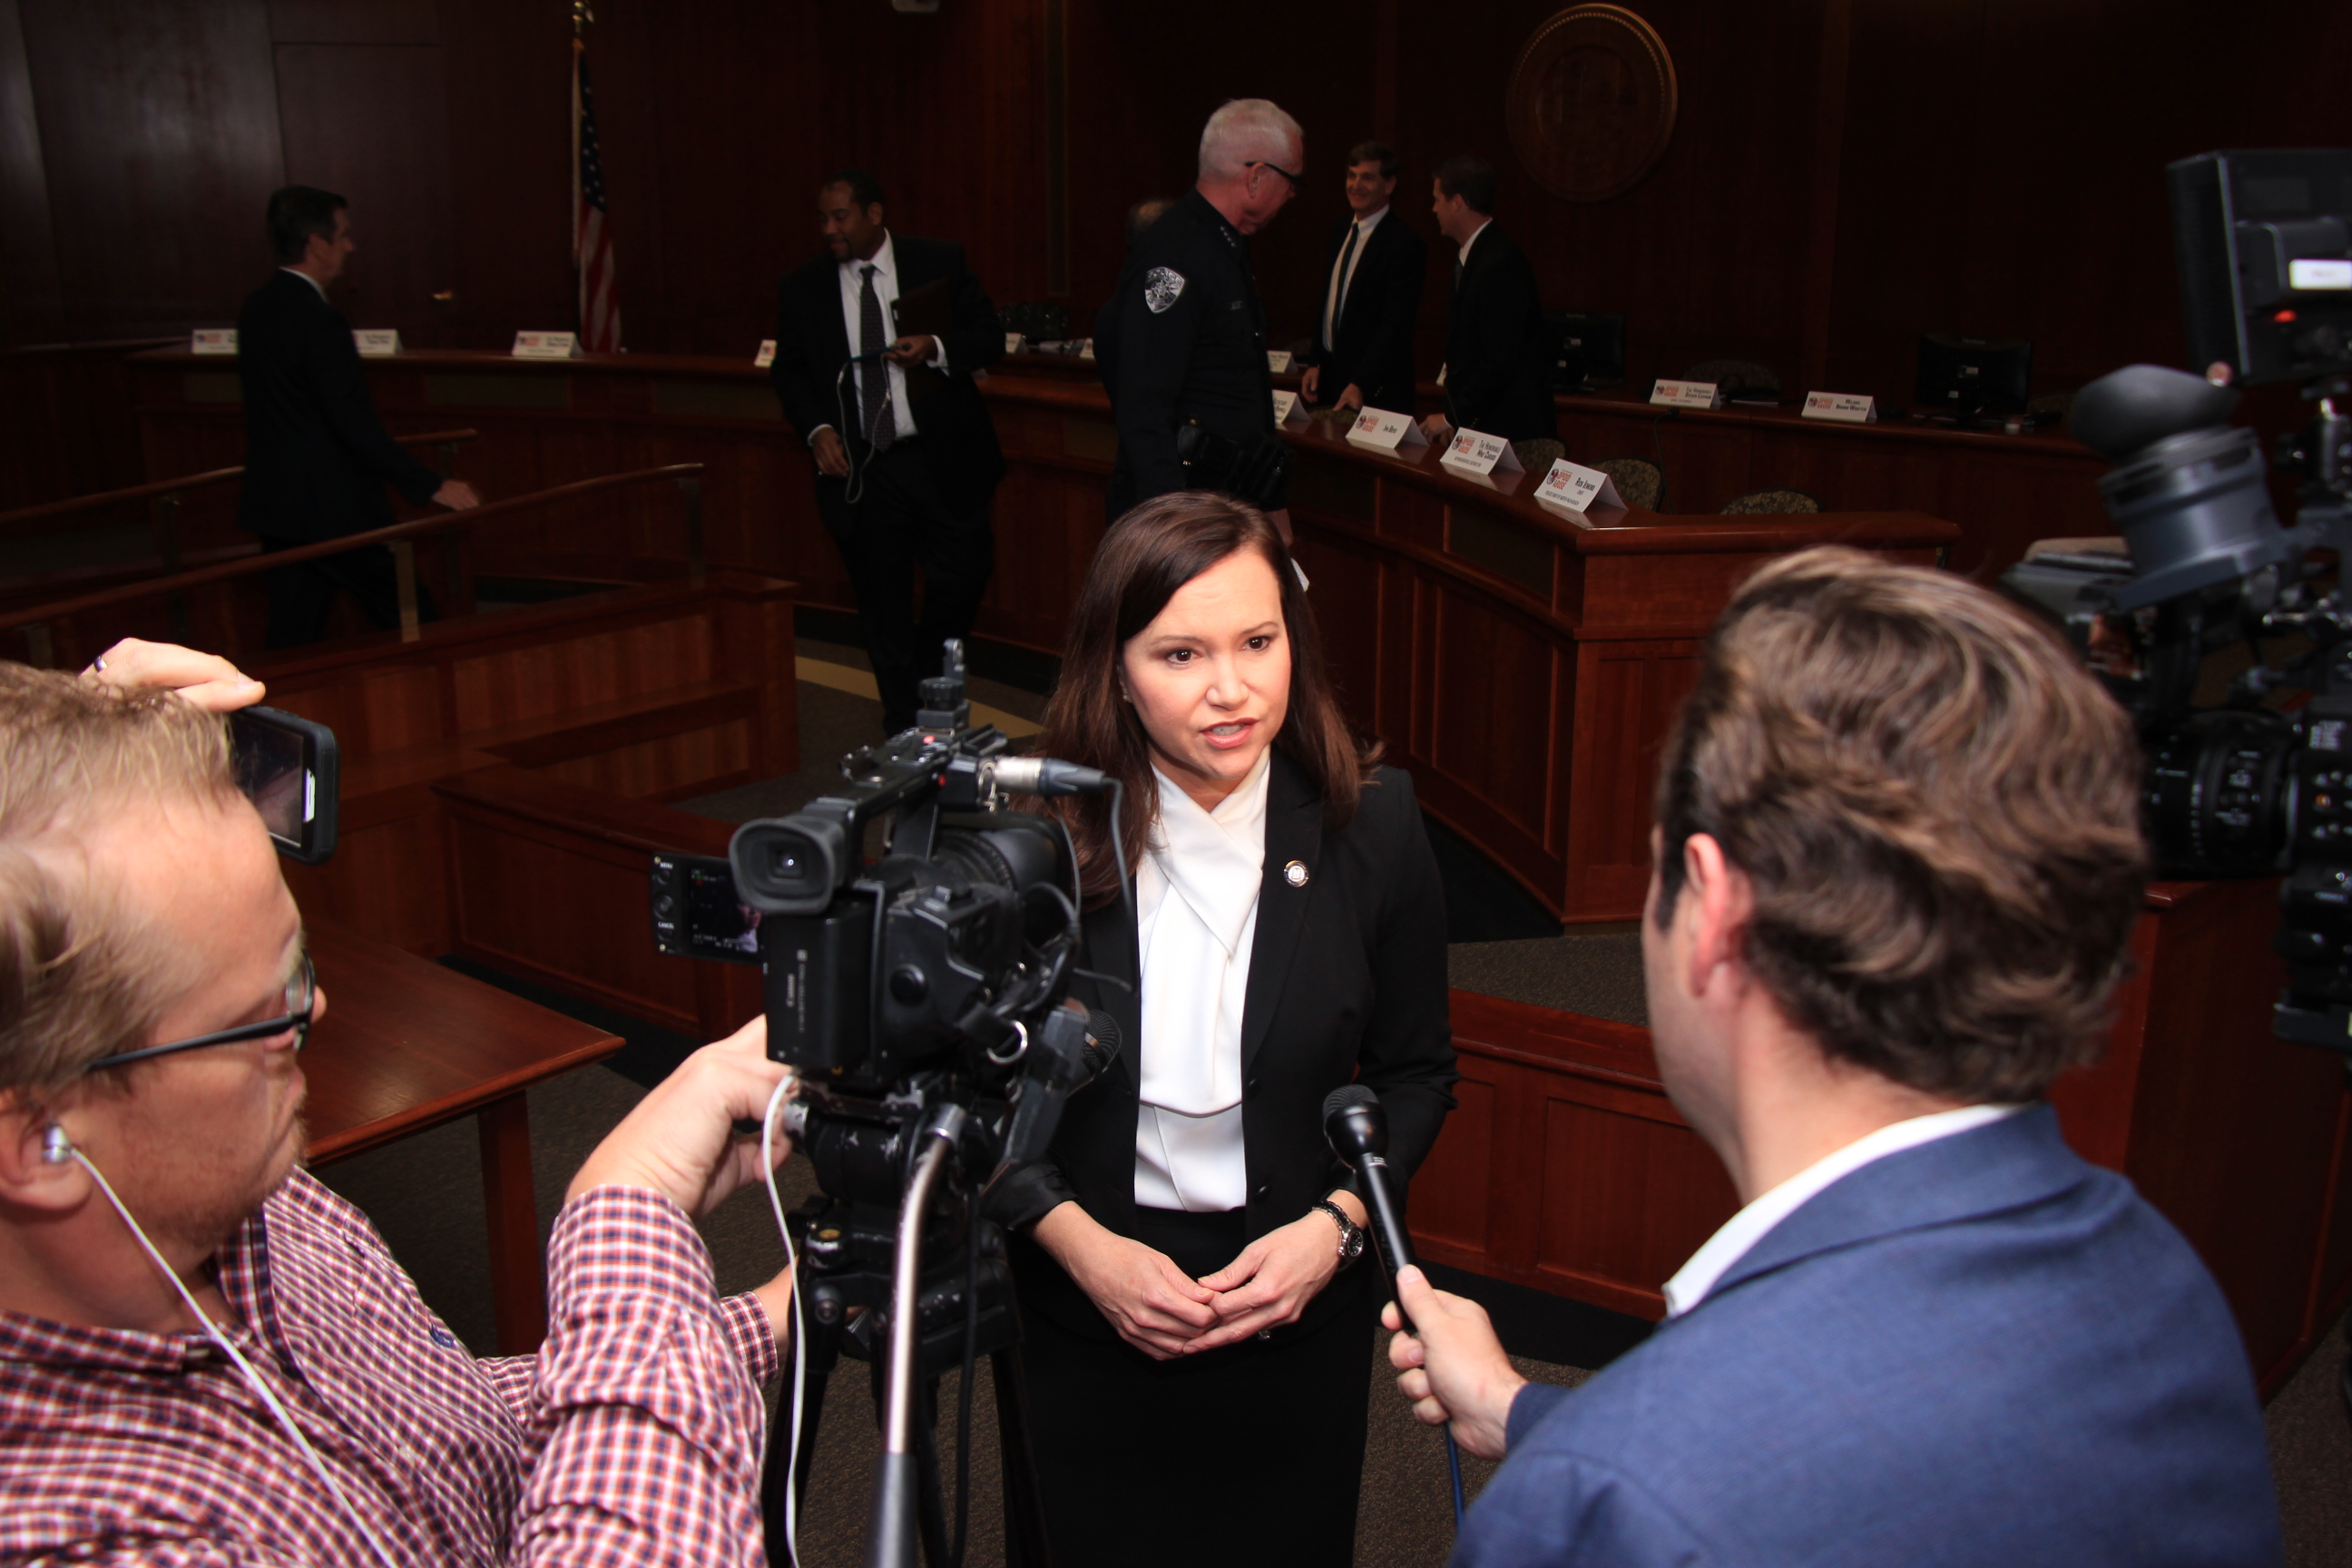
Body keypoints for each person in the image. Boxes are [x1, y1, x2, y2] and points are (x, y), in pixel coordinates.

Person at [1381, 549, 2285, 1565]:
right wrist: (1521, 1413)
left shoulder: (1617, 1498)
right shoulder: (2163, 1283)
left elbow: (1692, 1494)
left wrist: (1587, 1468)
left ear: (1713, 908)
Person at [0, 638, 799, 1565]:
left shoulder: (249, 1211)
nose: (317, 1012)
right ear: (37, 1142)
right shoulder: (71, 1534)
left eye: (297, 968)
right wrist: (630, 1206)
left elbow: (441, 1444)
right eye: (261, 1017)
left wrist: (783, 1316)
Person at [988, 492, 1457, 1566]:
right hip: (1082, 1309)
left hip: (1292, 1316)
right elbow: (976, 1100)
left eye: (1258, 640)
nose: (1232, 691)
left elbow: (1417, 1075)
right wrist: (1077, 1246)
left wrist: (1336, 1233)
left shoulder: (1374, 825)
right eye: (1181, 654)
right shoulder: (1036, 837)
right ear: (1115, 665)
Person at [770, 169, 1007, 734]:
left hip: (940, 458)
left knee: (963, 576)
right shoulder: (804, 287)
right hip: (865, 466)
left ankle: (930, 675)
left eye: (840, 217)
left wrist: (937, 347)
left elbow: (990, 336)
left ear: (874, 214)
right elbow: (791, 371)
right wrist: (818, 429)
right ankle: (905, 726)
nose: (829, 229)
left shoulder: (938, 261)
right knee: (883, 606)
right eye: (822, 219)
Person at [238, 186, 480, 650]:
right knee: (415, 619)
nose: (351, 246)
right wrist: (431, 484)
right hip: (334, 510)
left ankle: (268, 720)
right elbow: (352, 424)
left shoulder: (257, 308)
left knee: (292, 636)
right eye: (344, 235)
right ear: (316, 244)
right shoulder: (320, 321)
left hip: (280, 505)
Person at [1095, 101, 1304, 536]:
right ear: (1257, 176)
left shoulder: (1223, 246)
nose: (1292, 195)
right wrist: (1176, 528)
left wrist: (1271, 499)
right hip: (1183, 516)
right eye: (1292, 181)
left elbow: (1238, 390)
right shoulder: (1177, 252)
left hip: (1221, 505)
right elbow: (1144, 407)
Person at [1418, 156, 1554, 447]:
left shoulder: (1499, 262)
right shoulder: (1477, 255)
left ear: (1457, 202)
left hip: (1511, 434)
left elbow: (1498, 360)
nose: (1433, 209)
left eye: (1437, 199)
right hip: (1484, 426)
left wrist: (1452, 416)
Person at [1301, 141, 1426, 418]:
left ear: (1390, 185)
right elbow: (1330, 303)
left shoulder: (1404, 244)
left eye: (1367, 178)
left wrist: (1360, 382)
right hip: (1331, 383)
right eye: (1351, 175)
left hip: (1375, 393)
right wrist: (1316, 362)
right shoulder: (1339, 230)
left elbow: (1395, 325)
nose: (1356, 185)